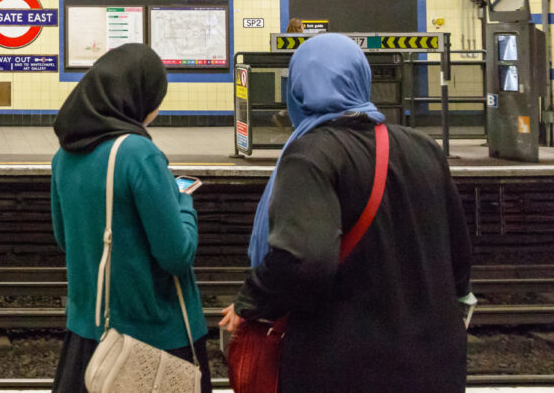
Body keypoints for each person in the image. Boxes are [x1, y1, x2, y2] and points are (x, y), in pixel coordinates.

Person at [220, 33, 472, 392]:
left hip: (347, 366)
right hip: (435, 363)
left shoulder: (311, 155)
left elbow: (302, 259)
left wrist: (250, 301)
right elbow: (459, 260)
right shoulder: (424, 147)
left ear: (299, 89)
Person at [50, 43, 211, 393]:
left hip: (88, 337)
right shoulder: (139, 154)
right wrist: (183, 203)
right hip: (152, 341)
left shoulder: (64, 155)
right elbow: (176, 254)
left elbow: (66, 238)